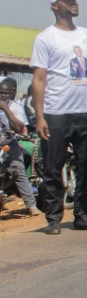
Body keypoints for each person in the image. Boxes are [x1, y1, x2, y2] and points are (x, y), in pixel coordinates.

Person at [31, 0, 87, 234]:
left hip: (86, 113)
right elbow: (39, 79)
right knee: (53, 166)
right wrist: (40, 117)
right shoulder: (45, 38)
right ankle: (53, 218)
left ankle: (82, 214)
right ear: (54, 5)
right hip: (56, 113)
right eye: (67, 0)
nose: (74, 3)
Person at [0, 77, 41, 216]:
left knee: (19, 170)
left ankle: (31, 205)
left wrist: (5, 109)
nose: (3, 96)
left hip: (8, 143)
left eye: (5, 93)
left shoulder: (15, 107)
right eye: (0, 92)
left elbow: (18, 127)